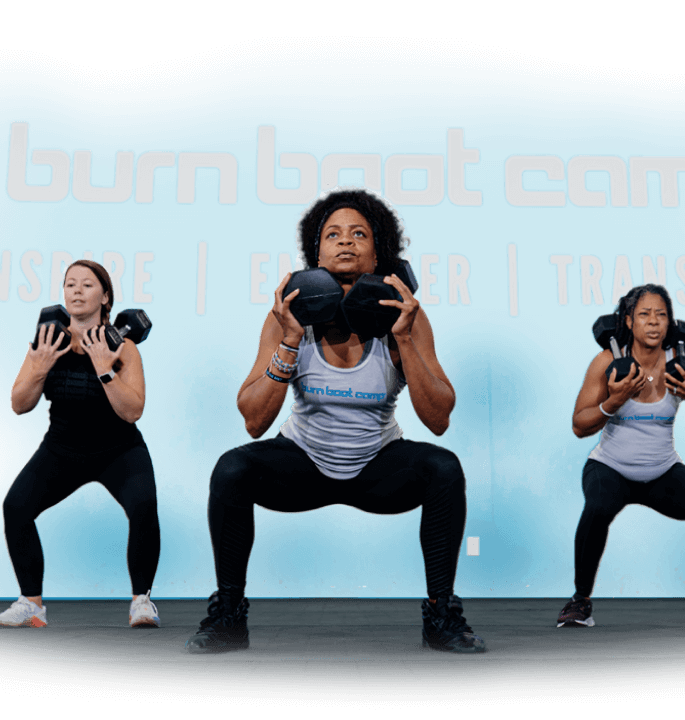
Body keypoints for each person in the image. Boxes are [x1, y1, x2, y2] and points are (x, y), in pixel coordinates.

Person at [183, 186, 485, 654]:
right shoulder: (289, 317)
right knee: (232, 468)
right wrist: (287, 341)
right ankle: (227, 616)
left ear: (378, 252)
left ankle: (442, 616)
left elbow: (440, 418)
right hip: (302, 463)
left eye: (359, 234)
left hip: (377, 467)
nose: (346, 241)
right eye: (333, 234)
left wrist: (404, 338)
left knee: (444, 468)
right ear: (315, 251)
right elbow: (253, 420)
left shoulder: (404, 319)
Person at [560, 283, 685, 628]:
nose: (653, 322)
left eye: (661, 315)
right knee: (597, 509)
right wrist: (612, 402)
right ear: (629, 321)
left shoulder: (682, 367)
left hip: (662, 470)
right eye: (644, 314)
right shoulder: (607, 362)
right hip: (610, 466)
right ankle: (580, 602)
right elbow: (579, 425)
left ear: (670, 324)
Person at [0, 260, 161, 629]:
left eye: (87, 284)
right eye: (70, 284)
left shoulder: (124, 347)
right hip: (62, 449)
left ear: (106, 297)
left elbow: (132, 411)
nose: (77, 290)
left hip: (118, 450)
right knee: (15, 506)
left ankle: (142, 601)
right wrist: (39, 365)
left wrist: (104, 368)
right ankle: (31, 605)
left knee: (143, 505)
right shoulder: (46, 342)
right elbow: (19, 405)